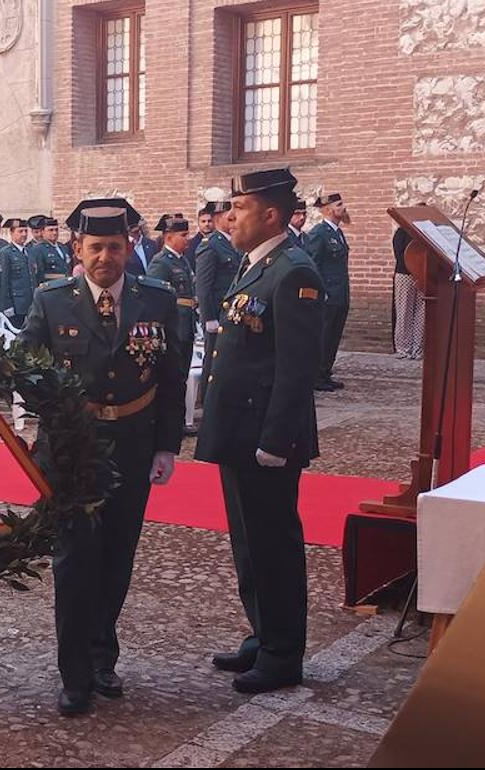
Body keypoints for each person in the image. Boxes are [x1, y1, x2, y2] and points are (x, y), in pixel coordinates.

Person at [20, 199, 184, 717]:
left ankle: (102, 655)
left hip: (132, 446)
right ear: (79, 249)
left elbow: (172, 378)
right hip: (70, 449)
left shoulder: (156, 299)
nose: (105, 258)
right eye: (95, 248)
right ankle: (74, 673)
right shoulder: (52, 301)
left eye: (114, 247)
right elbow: (25, 369)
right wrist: (37, 428)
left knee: (117, 555)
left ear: (129, 247)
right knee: (73, 560)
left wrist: (166, 445)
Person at [195, 168, 325, 695]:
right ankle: (262, 631)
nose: (230, 217)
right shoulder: (257, 265)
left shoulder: (294, 272)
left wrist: (275, 440)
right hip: (239, 430)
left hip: (266, 438)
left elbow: (296, 369)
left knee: (274, 543)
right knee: (248, 542)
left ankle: (283, 652)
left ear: (270, 214)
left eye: (239, 208)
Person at [306, 193, 351, 391]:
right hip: (327, 294)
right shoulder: (319, 233)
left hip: (340, 293)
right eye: (339, 205)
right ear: (327, 209)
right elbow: (313, 264)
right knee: (324, 335)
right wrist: (320, 291)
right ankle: (316, 375)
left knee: (333, 335)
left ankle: (326, 372)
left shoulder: (337, 233)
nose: (343, 208)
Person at [195, 200, 242, 387]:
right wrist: (209, 318)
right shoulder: (210, 245)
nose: (231, 218)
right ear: (215, 219)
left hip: (232, 311)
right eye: (225, 215)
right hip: (217, 312)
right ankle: (208, 399)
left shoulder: (233, 242)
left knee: (230, 360)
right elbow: (204, 286)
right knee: (214, 359)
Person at [147, 215, 198, 379]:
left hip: (186, 324)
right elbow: (154, 298)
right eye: (183, 235)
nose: (187, 239)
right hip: (174, 326)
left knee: (183, 373)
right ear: (169, 237)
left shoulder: (183, 261)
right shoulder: (161, 262)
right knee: (174, 374)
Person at [392, 221, 423, 360]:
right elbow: (399, 254)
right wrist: (413, 268)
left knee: (421, 313)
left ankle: (418, 348)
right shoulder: (402, 232)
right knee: (404, 311)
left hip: (424, 275)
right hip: (405, 274)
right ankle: (404, 348)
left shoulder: (426, 233)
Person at [0, 218, 36, 326]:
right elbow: (4, 281)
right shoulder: (6, 253)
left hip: (30, 302)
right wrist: (7, 305)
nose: (24, 234)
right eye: (20, 231)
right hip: (16, 304)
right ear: (11, 233)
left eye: (25, 231)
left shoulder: (29, 251)